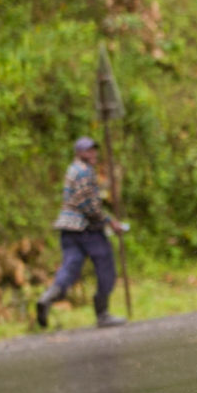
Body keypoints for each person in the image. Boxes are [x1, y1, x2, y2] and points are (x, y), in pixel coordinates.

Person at [36, 136, 126, 329]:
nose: (92, 154)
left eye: (94, 150)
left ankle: (47, 297)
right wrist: (110, 222)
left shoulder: (72, 169)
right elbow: (89, 207)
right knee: (106, 268)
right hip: (87, 230)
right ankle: (103, 314)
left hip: (68, 228)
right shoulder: (84, 172)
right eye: (88, 151)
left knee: (69, 267)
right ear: (79, 153)